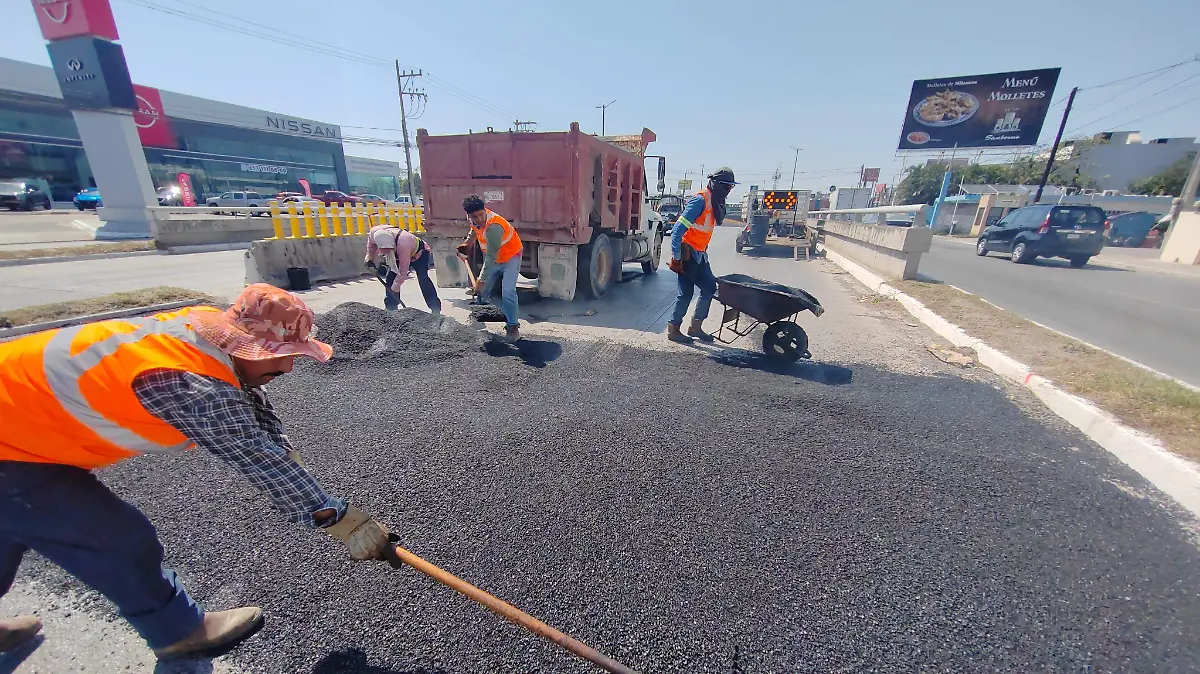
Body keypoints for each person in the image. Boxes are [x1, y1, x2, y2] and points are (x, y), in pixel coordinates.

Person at [0, 284, 392, 659]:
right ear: (247, 347)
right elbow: (254, 455)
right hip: (11, 443)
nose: (290, 365)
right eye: (283, 354)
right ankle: (178, 631)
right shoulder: (189, 382)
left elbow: (250, 404)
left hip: (19, 419)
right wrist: (338, 518)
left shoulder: (203, 333)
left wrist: (286, 453)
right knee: (115, 538)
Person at [667, 167, 737, 344]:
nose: (728, 191)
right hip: (687, 254)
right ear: (715, 183)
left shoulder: (715, 202)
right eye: (725, 186)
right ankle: (674, 329)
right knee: (687, 293)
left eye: (730, 187)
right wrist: (676, 259)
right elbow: (676, 231)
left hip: (699, 255)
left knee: (709, 287)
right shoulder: (700, 200)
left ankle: (695, 327)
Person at [462, 194, 522, 343]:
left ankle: (513, 327)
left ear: (485, 210)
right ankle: (479, 316)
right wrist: (467, 244)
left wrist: (481, 279)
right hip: (494, 258)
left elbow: (491, 257)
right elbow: (474, 231)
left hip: (510, 257)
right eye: (474, 216)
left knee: (508, 291)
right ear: (469, 215)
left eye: (481, 214)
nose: (479, 219)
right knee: (482, 292)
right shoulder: (473, 220)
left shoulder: (494, 226)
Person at [364, 219, 442, 314]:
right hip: (397, 253)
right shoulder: (374, 233)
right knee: (390, 278)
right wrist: (369, 260)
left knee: (423, 278)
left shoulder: (403, 243)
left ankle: (435, 308)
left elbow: (402, 272)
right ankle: (391, 309)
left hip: (419, 253)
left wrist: (394, 289)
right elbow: (371, 247)